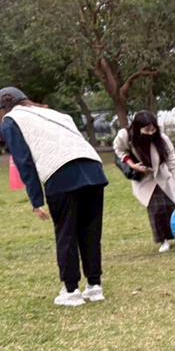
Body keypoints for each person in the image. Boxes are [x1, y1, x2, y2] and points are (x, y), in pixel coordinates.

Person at [0, 86, 108, 306]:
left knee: (66, 232)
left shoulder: (10, 120)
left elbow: (24, 161)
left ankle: (71, 290)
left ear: (4, 107)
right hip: (94, 169)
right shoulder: (56, 113)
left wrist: (36, 200)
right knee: (90, 231)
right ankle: (94, 286)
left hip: (61, 172)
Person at [113, 111, 175, 253]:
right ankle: (163, 240)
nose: (151, 133)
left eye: (153, 129)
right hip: (144, 179)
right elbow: (119, 150)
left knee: (171, 206)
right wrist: (132, 165)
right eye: (147, 130)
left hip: (162, 176)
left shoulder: (162, 139)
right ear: (137, 128)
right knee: (156, 209)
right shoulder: (125, 135)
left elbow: (173, 163)